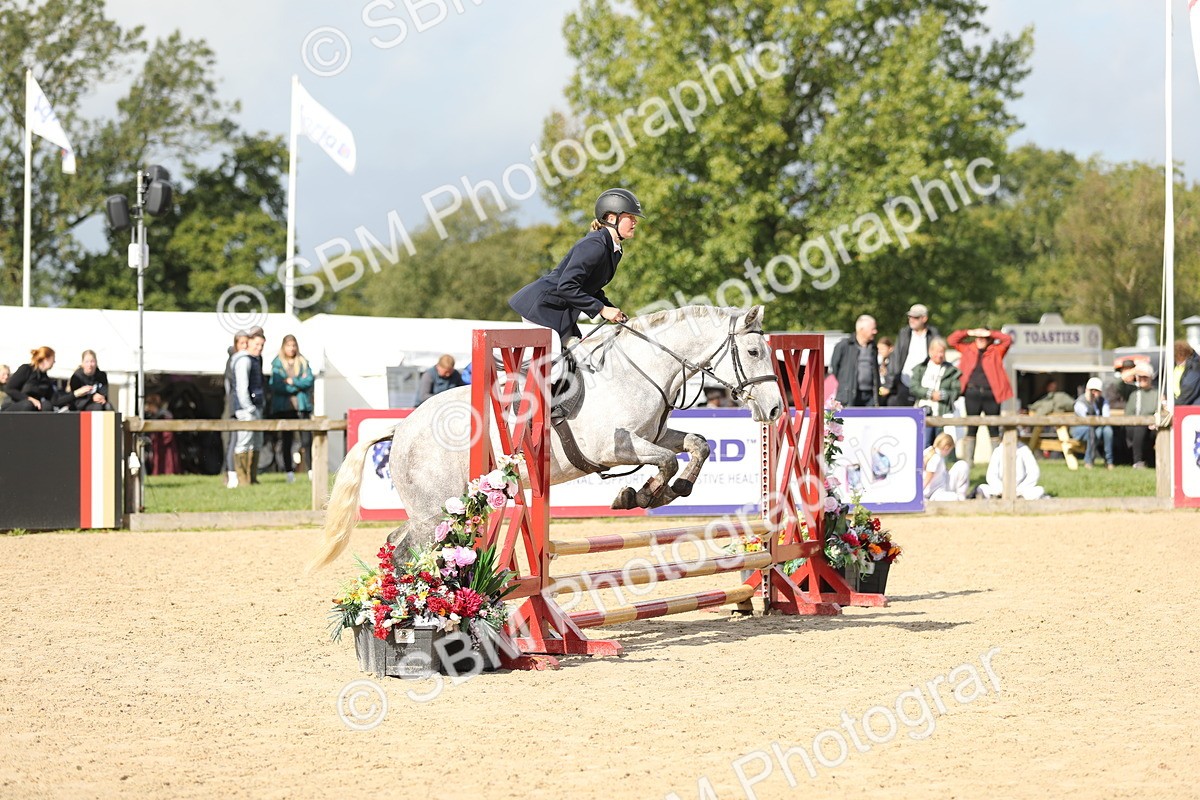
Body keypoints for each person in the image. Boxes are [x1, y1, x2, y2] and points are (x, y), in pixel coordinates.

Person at [509, 188, 640, 348]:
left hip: (561, 311)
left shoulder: (615, 250)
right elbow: (566, 286)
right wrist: (601, 309)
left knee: (577, 356)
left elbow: (590, 288)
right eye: (630, 217)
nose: (635, 222)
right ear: (612, 218)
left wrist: (612, 310)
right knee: (558, 360)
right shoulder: (594, 245)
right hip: (542, 308)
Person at [947, 326, 1013, 465]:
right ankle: (968, 462)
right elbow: (952, 340)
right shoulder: (968, 349)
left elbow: (1007, 340)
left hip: (991, 394)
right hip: (972, 393)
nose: (981, 340)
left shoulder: (996, 350)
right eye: (978, 337)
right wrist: (969, 332)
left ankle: (997, 463)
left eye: (984, 338)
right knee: (971, 427)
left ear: (989, 339)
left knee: (994, 428)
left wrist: (990, 333)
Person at [269, 334, 315, 482]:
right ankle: (289, 472)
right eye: (289, 346)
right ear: (284, 347)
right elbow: (276, 386)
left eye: (293, 345)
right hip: (285, 408)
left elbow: (309, 381)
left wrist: (292, 381)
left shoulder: (303, 362)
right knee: (286, 441)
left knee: (306, 440)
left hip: (302, 407)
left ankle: (311, 471)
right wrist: (297, 386)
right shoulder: (277, 364)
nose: (291, 348)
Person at [884, 303, 941, 407]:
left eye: (915, 317)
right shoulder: (904, 333)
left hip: (925, 385)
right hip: (905, 383)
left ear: (924, 318)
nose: (911, 320)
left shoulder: (933, 334)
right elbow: (895, 359)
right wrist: (889, 384)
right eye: (909, 317)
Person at [910, 337, 961, 448]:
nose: (939, 355)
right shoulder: (920, 369)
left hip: (943, 412)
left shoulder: (951, 370)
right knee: (925, 445)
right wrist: (929, 393)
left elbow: (956, 391)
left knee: (944, 446)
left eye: (942, 352)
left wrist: (943, 394)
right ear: (930, 351)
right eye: (937, 351)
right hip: (924, 412)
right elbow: (913, 387)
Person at [229, 332, 266, 487]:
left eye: (262, 345)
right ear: (249, 343)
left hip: (255, 406)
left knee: (256, 442)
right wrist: (248, 407)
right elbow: (242, 387)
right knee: (244, 441)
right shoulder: (243, 360)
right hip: (246, 409)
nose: (259, 348)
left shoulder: (254, 359)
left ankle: (252, 477)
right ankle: (243, 479)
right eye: (256, 344)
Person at [1028, 378, 1080, 469]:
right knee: (1038, 433)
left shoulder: (1060, 398)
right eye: (1051, 386)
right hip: (1045, 427)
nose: (1053, 388)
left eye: (1054, 386)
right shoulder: (1043, 398)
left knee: (1062, 436)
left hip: (1056, 428)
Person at [829, 315, 879, 407]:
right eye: (872, 329)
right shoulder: (844, 345)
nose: (875, 332)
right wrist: (846, 383)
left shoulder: (873, 347)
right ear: (861, 329)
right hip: (848, 396)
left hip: (870, 396)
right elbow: (835, 367)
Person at [1, 347, 72, 412]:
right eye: (53, 359)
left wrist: (74, 395)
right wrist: (30, 399)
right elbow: (9, 389)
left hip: (32, 407)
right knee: (28, 404)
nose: (54, 362)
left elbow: (55, 400)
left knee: (47, 405)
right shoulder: (26, 369)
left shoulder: (45, 379)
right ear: (46, 359)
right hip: (14, 405)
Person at [976, 440, 1047, 499]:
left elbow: (1034, 473)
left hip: (1021, 489)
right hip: (1000, 489)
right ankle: (997, 498)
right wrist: (1002, 489)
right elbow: (991, 475)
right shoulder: (998, 450)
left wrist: (1019, 490)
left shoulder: (1024, 449)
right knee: (982, 488)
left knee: (1039, 490)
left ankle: (1020, 499)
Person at [223, 330, 250, 488]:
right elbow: (231, 388)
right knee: (233, 440)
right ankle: (232, 474)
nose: (245, 346)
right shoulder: (235, 361)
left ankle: (240, 475)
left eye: (247, 342)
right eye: (242, 343)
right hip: (235, 406)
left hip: (237, 405)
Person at [1071, 377, 1114, 469]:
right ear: (1087, 390)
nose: (1094, 393)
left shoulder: (1102, 401)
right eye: (1092, 390)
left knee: (1108, 430)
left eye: (1097, 391)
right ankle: (1089, 461)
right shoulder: (1080, 402)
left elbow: (1106, 416)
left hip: (1096, 427)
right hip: (1079, 429)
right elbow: (1086, 419)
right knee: (1092, 431)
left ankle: (1109, 461)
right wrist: (1091, 401)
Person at [1124, 366, 1158, 468]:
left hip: (1151, 427)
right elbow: (1119, 383)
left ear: (1151, 378)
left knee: (1142, 427)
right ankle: (1138, 461)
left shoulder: (1157, 393)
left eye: (1145, 377)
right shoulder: (1134, 393)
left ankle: (1141, 460)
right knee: (1139, 426)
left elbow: (1159, 410)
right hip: (1133, 427)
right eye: (1140, 377)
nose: (1142, 379)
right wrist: (1135, 370)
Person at [922, 432, 969, 501]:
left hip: (936, 489)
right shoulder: (936, 458)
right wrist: (920, 491)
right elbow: (929, 475)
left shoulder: (929, 450)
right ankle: (961, 496)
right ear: (947, 447)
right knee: (963, 465)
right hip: (934, 493)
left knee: (961, 465)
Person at [142, 393, 180, 475]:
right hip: (157, 444)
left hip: (164, 445)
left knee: (167, 462)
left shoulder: (165, 415)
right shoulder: (155, 416)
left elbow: (168, 434)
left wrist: (156, 438)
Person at [1174, 341, 1200, 406]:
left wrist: (1175, 403)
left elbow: (1189, 389)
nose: (1178, 362)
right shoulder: (1175, 366)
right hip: (1179, 403)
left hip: (1191, 406)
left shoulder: (1195, 367)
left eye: (1180, 358)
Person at [876, 336, 893, 403]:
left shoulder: (894, 363)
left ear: (890, 348)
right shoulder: (880, 362)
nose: (880, 351)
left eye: (882, 349)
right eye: (878, 349)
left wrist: (889, 389)